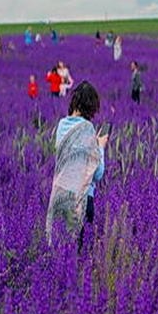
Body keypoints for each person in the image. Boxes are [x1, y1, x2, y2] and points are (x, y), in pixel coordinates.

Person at [45, 81, 108, 243]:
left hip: (60, 196)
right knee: (79, 254)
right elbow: (98, 173)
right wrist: (100, 147)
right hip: (82, 200)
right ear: (91, 107)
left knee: (60, 252)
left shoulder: (61, 126)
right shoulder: (87, 129)